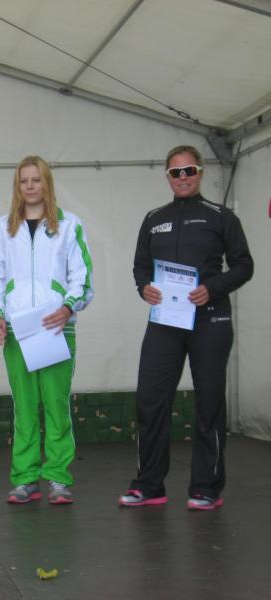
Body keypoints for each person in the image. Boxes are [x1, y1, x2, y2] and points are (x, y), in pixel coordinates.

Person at [119, 145, 253, 510]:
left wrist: (214, 287)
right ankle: (149, 485)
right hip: (166, 320)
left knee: (209, 402)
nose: (183, 177)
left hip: (210, 319)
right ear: (167, 176)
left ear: (200, 172)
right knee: (150, 399)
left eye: (189, 170)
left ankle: (206, 487)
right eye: (175, 172)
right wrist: (144, 287)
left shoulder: (221, 216)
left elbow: (244, 265)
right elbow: (140, 266)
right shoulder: (154, 219)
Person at [0, 156, 93, 505]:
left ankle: (58, 477)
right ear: (17, 187)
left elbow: (82, 276)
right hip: (18, 329)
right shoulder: (3, 228)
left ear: (47, 183)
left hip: (57, 328)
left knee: (57, 405)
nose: (30, 186)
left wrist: (68, 306)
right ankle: (26, 478)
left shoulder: (69, 225)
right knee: (25, 407)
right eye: (23, 181)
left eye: (36, 179)